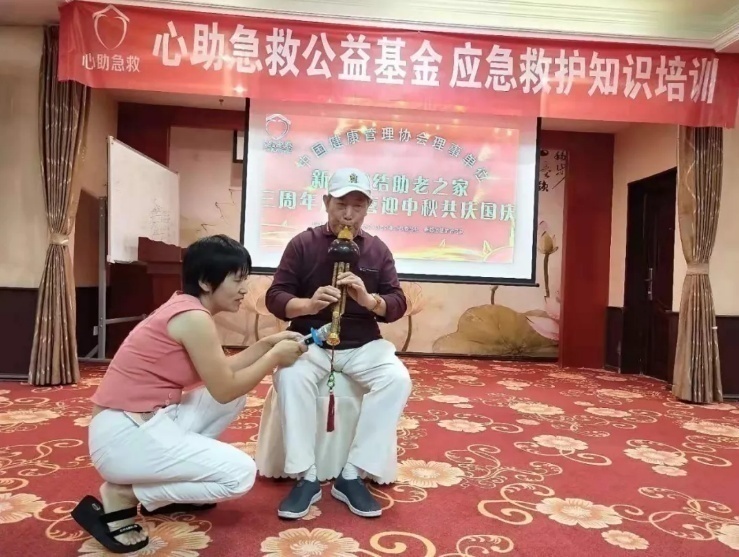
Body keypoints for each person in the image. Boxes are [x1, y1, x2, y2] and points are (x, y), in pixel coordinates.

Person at [72, 235, 307, 554]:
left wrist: (266, 345)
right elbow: (224, 388)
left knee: (234, 398)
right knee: (239, 475)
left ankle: (166, 487)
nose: (245, 289)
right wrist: (274, 358)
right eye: (238, 280)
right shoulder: (193, 318)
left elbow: (221, 372)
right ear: (206, 282)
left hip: (140, 420)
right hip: (121, 437)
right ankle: (125, 494)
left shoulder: (187, 308)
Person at [265, 167, 412, 520]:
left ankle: (353, 473)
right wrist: (308, 305)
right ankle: (306, 475)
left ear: (368, 208)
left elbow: (397, 303)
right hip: (312, 340)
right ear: (326, 202)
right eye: (341, 204)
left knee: (397, 379)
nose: (348, 214)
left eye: (357, 206)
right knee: (290, 376)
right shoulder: (302, 244)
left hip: (362, 344)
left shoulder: (377, 249)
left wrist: (369, 300)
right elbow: (276, 296)